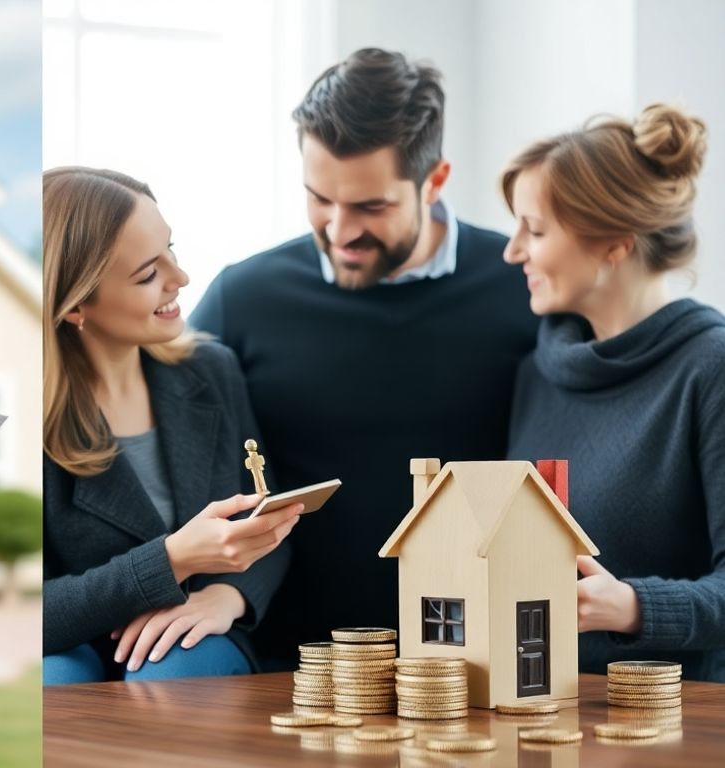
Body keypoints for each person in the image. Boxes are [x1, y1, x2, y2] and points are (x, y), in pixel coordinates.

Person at [189, 48, 539, 668]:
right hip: (290, 663)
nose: (340, 230)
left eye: (371, 207)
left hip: (480, 663)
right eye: (319, 198)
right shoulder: (242, 297)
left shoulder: (524, 287)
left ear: (435, 181)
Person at [42, 167, 302, 684]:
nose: (179, 278)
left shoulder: (211, 371)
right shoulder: (28, 416)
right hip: (72, 644)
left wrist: (228, 595)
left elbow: (270, 521)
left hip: (192, 645)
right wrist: (170, 561)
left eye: (171, 249)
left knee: (173, 672)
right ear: (76, 305)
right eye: (147, 274)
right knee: (53, 681)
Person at [502, 104, 725, 681]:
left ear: (615, 244)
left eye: (536, 230)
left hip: (677, 712)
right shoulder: (535, 375)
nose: (513, 251)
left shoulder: (711, 368)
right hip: (536, 702)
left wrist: (632, 606)